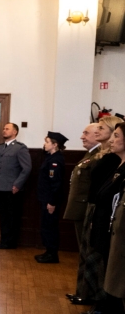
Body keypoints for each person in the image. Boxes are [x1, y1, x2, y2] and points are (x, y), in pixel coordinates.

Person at [81, 121, 124, 314]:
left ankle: (100, 304)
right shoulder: (108, 158)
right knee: (93, 257)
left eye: (115, 134)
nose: (98, 132)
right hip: (100, 214)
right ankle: (95, 300)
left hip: (109, 220)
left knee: (101, 264)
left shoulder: (115, 162)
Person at [65, 124, 107, 304]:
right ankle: (81, 291)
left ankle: (87, 294)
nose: (82, 136)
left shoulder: (99, 157)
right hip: (80, 209)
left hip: (87, 209)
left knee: (88, 254)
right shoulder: (90, 155)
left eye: (86, 133)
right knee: (83, 253)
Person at [0, 122, 31, 249]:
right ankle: (4, 241)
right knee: (3, 215)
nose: (4, 130)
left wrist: (17, 184)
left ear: (15, 132)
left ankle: (11, 242)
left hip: (12, 188)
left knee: (12, 216)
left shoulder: (20, 148)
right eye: (3, 129)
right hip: (0, 187)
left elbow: (27, 168)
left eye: (7, 129)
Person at [35, 131, 68, 263]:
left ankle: (52, 254)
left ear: (55, 145)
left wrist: (52, 202)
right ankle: (48, 251)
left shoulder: (56, 161)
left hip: (50, 200)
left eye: (47, 142)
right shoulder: (50, 157)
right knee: (46, 226)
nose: (44, 144)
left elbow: (56, 184)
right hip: (46, 199)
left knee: (50, 227)